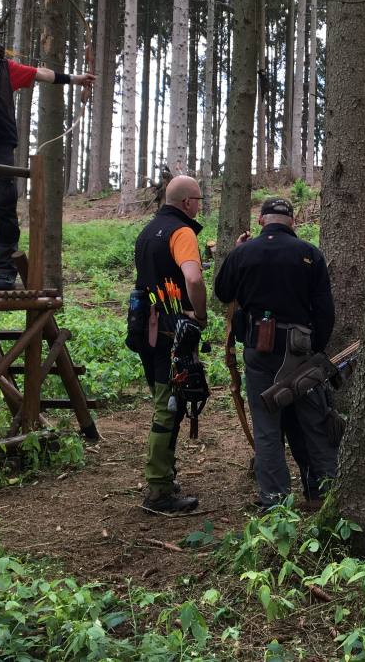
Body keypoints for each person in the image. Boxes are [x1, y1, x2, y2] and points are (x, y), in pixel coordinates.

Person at [0, 19, 93, 291]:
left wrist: (76, 79)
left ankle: (5, 274)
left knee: (6, 211)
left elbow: (42, 74)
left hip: (0, 148)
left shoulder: (5, 68)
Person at [214, 197, 337, 511]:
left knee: (267, 427)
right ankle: (324, 492)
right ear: (292, 222)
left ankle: (275, 501)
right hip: (300, 350)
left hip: (258, 348)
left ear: (261, 221)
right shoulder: (309, 254)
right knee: (314, 421)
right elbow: (325, 311)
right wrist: (316, 350)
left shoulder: (243, 253)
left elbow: (222, 292)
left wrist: (237, 252)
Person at [131, 175, 208, 514]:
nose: (199, 205)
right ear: (187, 202)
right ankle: (159, 490)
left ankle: (162, 476)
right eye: (199, 200)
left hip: (144, 327)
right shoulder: (182, 232)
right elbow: (193, 277)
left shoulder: (148, 231)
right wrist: (200, 314)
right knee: (169, 405)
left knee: (165, 399)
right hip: (171, 331)